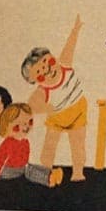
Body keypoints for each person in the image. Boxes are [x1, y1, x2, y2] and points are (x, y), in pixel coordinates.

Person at [22, 15, 88, 181]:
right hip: (56, 117)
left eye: (49, 62)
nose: (47, 70)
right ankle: (46, 172)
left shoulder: (65, 64)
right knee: (49, 148)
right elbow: (31, 105)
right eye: (40, 73)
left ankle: (78, 173)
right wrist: (46, 108)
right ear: (36, 81)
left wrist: (75, 30)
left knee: (78, 145)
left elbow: (69, 47)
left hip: (78, 111)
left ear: (54, 58)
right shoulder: (43, 90)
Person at [0, 102, 63, 187]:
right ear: (7, 127)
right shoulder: (8, 143)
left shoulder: (25, 141)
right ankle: (48, 179)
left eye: (30, 122)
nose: (26, 126)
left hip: (21, 167)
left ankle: (52, 173)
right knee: (30, 171)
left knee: (33, 167)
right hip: (9, 171)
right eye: (19, 125)